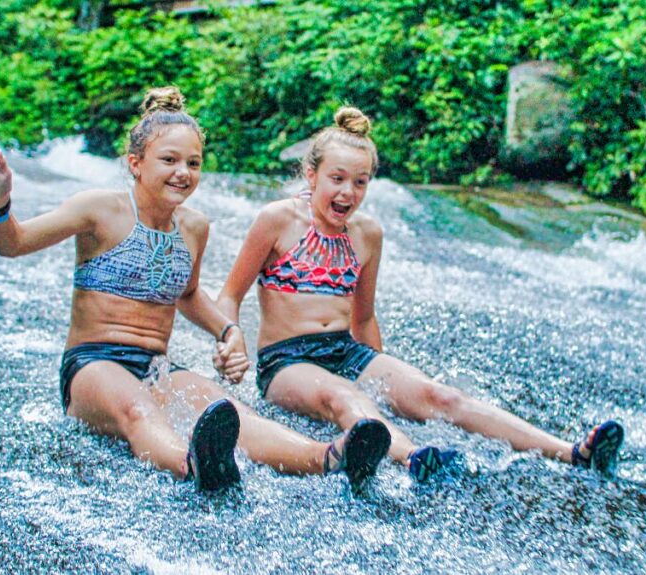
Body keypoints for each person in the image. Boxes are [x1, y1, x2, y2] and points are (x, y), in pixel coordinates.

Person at [0, 87, 391, 491]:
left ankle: (331, 457)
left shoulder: (194, 227)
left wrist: (226, 332)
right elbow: (14, 243)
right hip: (92, 367)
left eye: (193, 163)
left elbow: (188, 294)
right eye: (169, 160)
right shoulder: (99, 209)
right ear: (135, 162)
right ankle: (192, 466)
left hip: (156, 364)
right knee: (139, 410)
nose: (183, 172)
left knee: (230, 410)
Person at [215, 107, 624, 483]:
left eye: (360, 182)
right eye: (336, 179)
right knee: (343, 395)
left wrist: (384, 379)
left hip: (344, 350)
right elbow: (231, 294)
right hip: (287, 362)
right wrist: (230, 339)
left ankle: (572, 453)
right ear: (311, 175)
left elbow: (362, 318)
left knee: (439, 395)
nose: (348, 193)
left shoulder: (368, 234)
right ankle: (414, 458)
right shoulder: (276, 220)